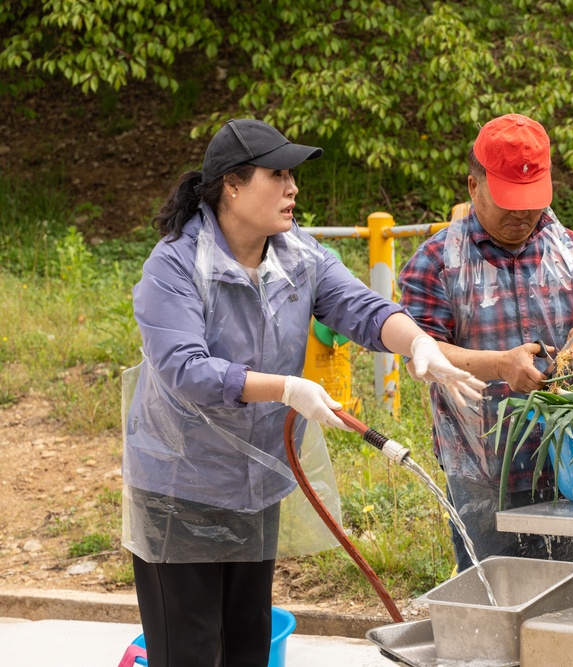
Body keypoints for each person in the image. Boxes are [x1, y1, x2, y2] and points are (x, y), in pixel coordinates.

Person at [123, 118, 485, 667]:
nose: (293, 189)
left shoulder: (298, 255)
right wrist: (288, 387)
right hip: (181, 486)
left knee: (247, 645)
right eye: (278, 175)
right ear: (233, 185)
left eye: (294, 176)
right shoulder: (174, 266)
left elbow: (362, 308)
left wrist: (418, 345)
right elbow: (185, 369)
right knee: (188, 651)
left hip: (254, 483)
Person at [397, 113, 573, 572]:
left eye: (532, 200)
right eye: (509, 200)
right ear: (473, 186)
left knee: (558, 595)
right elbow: (420, 349)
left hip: (564, 454)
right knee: (494, 601)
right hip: (481, 464)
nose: (522, 214)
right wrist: (499, 366)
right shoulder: (437, 260)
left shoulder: (569, 248)